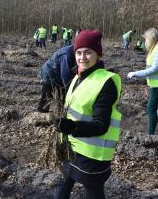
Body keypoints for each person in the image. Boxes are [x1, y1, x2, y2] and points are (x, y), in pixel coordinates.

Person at [55, 29, 122, 199]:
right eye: (78, 52)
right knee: (65, 182)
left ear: (98, 55)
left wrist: (72, 127)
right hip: (73, 146)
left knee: (93, 192)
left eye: (88, 52)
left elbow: (101, 125)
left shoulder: (106, 82)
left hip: (93, 153)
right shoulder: (78, 77)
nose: (82, 57)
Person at [127, 28, 158, 137]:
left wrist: (136, 73)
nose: (145, 43)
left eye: (146, 40)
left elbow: (155, 68)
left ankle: (150, 136)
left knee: (151, 108)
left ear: (151, 38)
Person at [37, 45, 76, 113]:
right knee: (47, 96)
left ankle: (61, 112)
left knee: (63, 96)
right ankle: (42, 114)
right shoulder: (66, 54)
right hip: (49, 74)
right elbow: (66, 78)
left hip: (59, 74)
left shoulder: (77, 52)